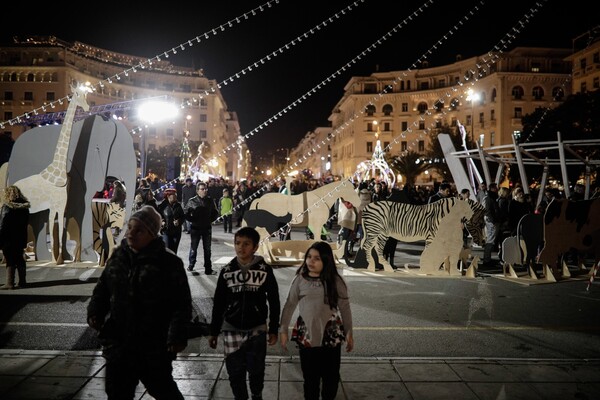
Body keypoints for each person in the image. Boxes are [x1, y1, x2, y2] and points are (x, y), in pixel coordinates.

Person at [87, 205, 192, 400]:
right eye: (130, 228)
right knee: (117, 393)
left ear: (152, 234)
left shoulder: (168, 263)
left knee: (164, 391)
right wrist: (95, 312)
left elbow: (181, 304)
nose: (131, 233)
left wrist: (176, 336)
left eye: (139, 230)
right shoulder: (119, 256)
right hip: (119, 343)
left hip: (153, 345)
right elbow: (102, 289)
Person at [208, 226, 280, 400]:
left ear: (255, 247)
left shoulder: (264, 269)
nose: (241, 247)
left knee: (256, 369)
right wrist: (213, 330)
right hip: (231, 328)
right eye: (238, 243)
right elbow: (218, 302)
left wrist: (273, 329)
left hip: (257, 328)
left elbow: (274, 299)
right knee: (234, 371)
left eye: (246, 244)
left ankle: (256, 393)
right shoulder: (227, 270)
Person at [279, 241, 354, 400]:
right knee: (310, 379)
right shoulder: (299, 280)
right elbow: (289, 305)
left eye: (317, 258)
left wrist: (349, 333)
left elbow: (345, 308)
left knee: (331, 378)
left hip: (331, 336)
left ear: (326, 260)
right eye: (309, 257)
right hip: (307, 336)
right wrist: (283, 329)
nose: (311, 261)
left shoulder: (336, 281)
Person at [184, 181, 219, 274]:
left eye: (205, 189)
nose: (205, 191)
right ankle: (191, 265)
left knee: (207, 249)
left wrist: (210, 220)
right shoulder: (192, 201)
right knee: (193, 247)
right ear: (197, 190)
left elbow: (215, 212)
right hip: (195, 228)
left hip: (207, 228)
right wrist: (193, 220)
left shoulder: (210, 200)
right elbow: (185, 213)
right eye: (202, 189)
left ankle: (208, 268)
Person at [0, 185, 31, 290]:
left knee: (10, 259)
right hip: (20, 238)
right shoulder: (25, 208)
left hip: (7, 238)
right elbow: (26, 224)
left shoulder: (6, 207)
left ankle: (10, 283)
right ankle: (22, 282)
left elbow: (2, 225)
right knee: (19, 259)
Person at [158, 188, 185, 253]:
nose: (176, 195)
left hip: (176, 231)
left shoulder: (178, 205)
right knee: (167, 250)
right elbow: (158, 216)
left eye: (176, 194)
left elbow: (183, 217)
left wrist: (179, 221)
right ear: (168, 196)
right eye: (174, 194)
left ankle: (173, 263)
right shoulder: (162, 206)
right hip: (166, 231)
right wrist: (162, 221)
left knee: (174, 250)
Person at [481, 182, 500, 267]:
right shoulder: (488, 198)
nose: (497, 189)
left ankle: (488, 259)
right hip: (491, 221)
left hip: (492, 220)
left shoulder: (491, 197)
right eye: (495, 188)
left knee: (491, 240)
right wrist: (491, 221)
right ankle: (487, 260)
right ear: (492, 188)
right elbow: (486, 211)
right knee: (490, 240)